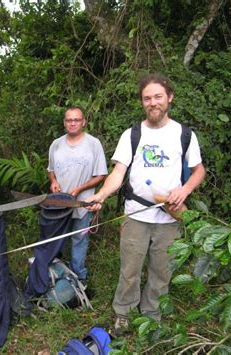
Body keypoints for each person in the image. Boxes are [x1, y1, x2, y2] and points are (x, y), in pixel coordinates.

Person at [85, 74, 206, 335]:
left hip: (170, 217)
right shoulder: (132, 134)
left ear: (169, 97)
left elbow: (198, 170)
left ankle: (152, 316)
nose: (153, 102)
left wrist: (184, 191)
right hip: (136, 215)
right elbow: (118, 173)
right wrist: (102, 194)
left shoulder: (184, 135)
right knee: (130, 270)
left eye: (158, 97)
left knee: (162, 271)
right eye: (147, 98)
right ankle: (124, 314)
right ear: (142, 102)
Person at [47, 106, 108, 283]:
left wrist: (80, 188)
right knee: (56, 239)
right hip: (59, 204)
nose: (72, 123)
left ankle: (78, 278)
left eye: (76, 120)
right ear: (64, 123)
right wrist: (53, 181)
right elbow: (50, 170)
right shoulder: (56, 144)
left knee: (79, 240)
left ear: (83, 122)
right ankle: (54, 276)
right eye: (69, 120)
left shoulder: (93, 144)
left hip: (83, 203)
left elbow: (101, 175)